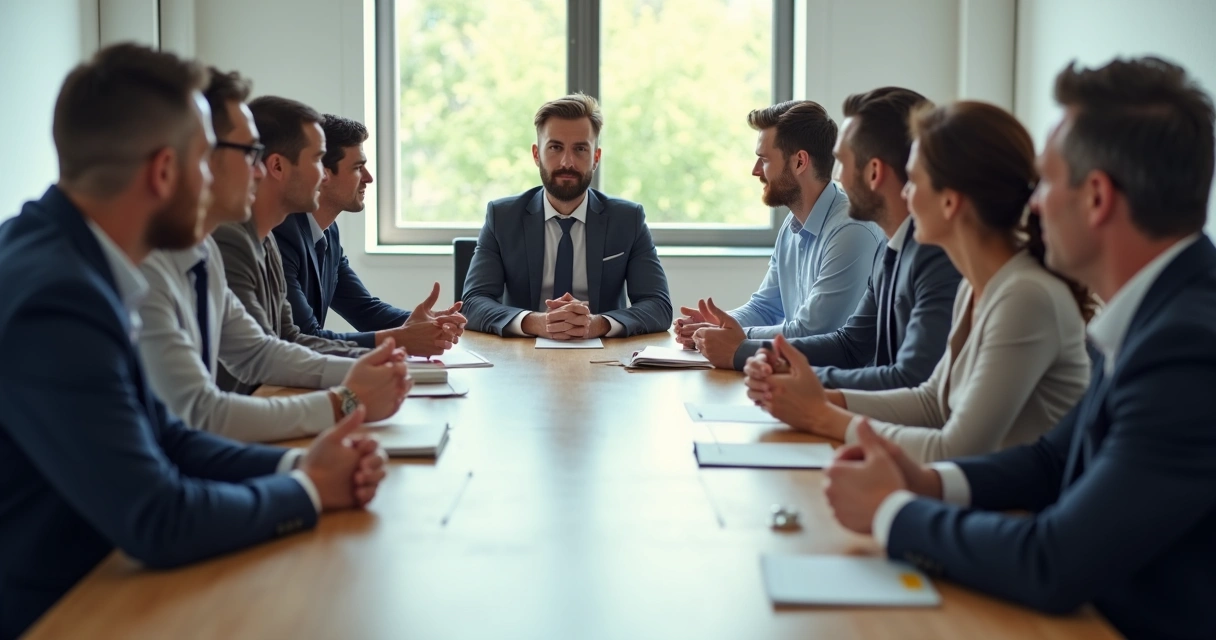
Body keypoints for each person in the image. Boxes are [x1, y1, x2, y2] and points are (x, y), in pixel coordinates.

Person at [0, 45, 388, 640]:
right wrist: (309, 490)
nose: (247, 172)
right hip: (62, 608)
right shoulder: (58, 296)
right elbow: (156, 516)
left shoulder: (74, 258)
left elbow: (166, 434)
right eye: (208, 159)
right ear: (163, 173)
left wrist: (299, 463)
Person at [821, 56, 1216, 640]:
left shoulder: (1187, 346)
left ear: (1097, 198)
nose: (1032, 203)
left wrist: (892, 512)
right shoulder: (1157, 310)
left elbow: (1053, 560)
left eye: (1049, 180)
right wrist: (924, 484)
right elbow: (1052, 461)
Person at [745, 100, 1093, 464]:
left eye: (915, 181)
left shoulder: (1025, 295)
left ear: (949, 201)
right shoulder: (980, 288)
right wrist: (814, 393)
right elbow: (932, 402)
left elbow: (954, 448)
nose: (906, 195)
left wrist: (820, 413)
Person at [136, 69, 412, 442]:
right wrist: (346, 401)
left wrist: (371, 367)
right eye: (250, 154)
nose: (259, 169)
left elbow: (261, 350)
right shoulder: (176, 256)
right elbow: (203, 415)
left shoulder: (205, 249)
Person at [693, 88, 960, 390]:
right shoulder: (892, 250)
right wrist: (751, 355)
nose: (838, 177)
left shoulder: (930, 257)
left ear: (874, 172)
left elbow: (910, 385)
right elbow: (850, 345)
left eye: (843, 163)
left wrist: (752, 356)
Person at [460, 93, 672, 338]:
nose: (567, 162)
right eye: (555, 147)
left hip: (604, 358)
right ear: (536, 155)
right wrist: (538, 322)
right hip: (522, 356)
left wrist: (598, 324)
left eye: (580, 149)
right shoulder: (502, 217)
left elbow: (659, 306)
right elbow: (473, 303)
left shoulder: (627, 220)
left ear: (596, 158)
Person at [207, 72, 367, 394]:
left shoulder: (266, 239)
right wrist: (348, 393)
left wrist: (377, 364)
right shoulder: (228, 240)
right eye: (319, 160)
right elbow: (259, 362)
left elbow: (279, 343)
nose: (257, 170)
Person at [675, 100, 882, 343]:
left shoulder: (851, 231)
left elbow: (812, 331)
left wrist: (731, 336)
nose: (755, 170)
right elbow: (765, 308)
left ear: (799, 162)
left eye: (764, 159)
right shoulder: (792, 224)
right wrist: (717, 323)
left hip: (837, 379)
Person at [270, 109, 465, 351]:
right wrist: (401, 338)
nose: (369, 178)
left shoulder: (328, 232)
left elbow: (364, 309)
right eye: (357, 168)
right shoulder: (280, 235)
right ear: (324, 173)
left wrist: (429, 322)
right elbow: (304, 337)